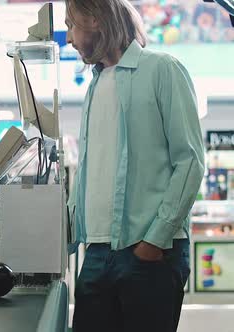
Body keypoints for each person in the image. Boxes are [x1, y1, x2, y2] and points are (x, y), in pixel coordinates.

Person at [64, 0, 204, 331]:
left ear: (96, 19)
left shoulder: (163, 69)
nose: (68, 37)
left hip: (149, 253)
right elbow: (87, 172)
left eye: (72, 23)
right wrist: (64, 238)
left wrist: (153, 242)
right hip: (96, 254)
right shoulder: (95, 85)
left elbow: (190, 161)